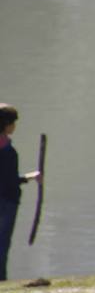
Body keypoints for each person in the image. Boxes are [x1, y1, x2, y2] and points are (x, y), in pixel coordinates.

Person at [0, 103, 42, 282]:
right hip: (7, 202)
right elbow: (9, 180)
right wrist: (30, 177)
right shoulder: (7, 151)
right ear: (7, 124)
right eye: (13, 122)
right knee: (3, 243)